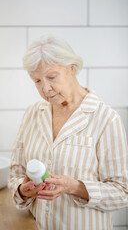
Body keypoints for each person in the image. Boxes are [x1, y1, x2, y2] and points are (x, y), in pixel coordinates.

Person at [8, 34, 128, 230]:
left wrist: (74, 187)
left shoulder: (106, 119)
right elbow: (15, 175)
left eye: (52, 77)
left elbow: (122, 192)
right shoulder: (32, 114)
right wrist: (23, 191)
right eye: (37, 81)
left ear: (72, 68)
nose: (45, 88)